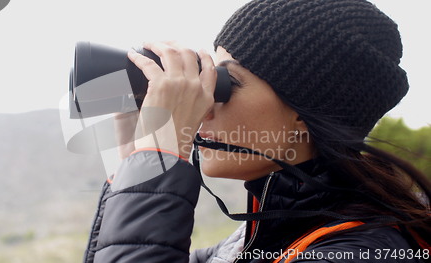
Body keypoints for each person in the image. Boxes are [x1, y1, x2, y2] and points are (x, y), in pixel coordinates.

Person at [82, 0, 431, 262]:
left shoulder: (360, 252)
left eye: (225, 83)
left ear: (302, 113)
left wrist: (156, 160)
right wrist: (134, 161)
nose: (204, 104)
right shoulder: (249, 245)